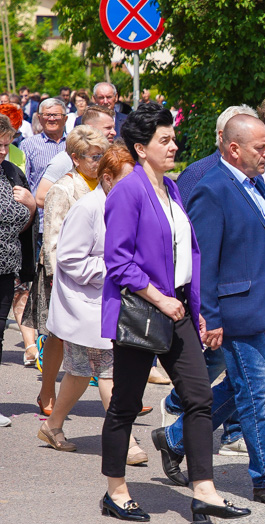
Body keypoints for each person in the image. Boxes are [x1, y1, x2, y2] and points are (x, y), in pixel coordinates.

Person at [100, 103, 249, 524]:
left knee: (199, 397)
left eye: (172, 137)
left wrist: (194, 308)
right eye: (164, 140)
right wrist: (160, 298)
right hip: (142, 311)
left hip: (179, 307)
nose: (173, 145)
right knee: (125, 404)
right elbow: (119, 262)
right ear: (140, 148)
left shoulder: (174, 187)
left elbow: (186, 253)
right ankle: (116, 490)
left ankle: (204, 490)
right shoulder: (128, 190)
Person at [154, 114, 265, 508]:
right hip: (235, 311)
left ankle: (174, 438)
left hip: (261, 306)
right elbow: (203, 261)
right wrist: (211, 317)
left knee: (240, 388)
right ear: (234, 149)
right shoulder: (213, 189)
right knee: (256, 394)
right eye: (260, 147)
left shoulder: (254, 183)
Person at [41, 144, 149, 464]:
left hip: (107, 302)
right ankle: (125, 440)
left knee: (76, 372)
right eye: (127, 182)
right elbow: (70, 260)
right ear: (106, 178)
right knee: (108, 372)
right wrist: (115, 271)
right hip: (87, 305)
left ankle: (52, 426)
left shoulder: (124, 205)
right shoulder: (88, 208)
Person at [162, 104, 259, 455]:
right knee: (221, 366)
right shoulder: (200, 174)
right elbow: (192, 238)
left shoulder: (253, 177)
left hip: (249, 293)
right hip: (213, 292)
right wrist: (202, 304)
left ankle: (204, 431)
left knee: (241, 375)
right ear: (226, 139)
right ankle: (177, 405)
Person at [28, 126, 106, 418]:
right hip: (62, 275)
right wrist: (55, 277)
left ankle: (118, 394)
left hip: (94, 275)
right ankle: (47, 390)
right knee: (57, 336)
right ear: (75, 158)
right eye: (94, 156)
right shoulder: (64, 188)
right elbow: (53, 239)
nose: (99, 162)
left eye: (102, 155)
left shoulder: (104, 184)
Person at [0, 114, 36, 370]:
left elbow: (21, 223)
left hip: (7, 270)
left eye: (7, 144)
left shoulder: (12, 172)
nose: (4, 151)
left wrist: (32, 206)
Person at [36, 106, 117, 210]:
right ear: (90, 127)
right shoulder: (64, 159)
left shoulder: (108, 155)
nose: (114, 132)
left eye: (113, 127)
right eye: (108, 128)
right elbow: (40, 198)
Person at [175, 105, 258, 205]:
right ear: (222, 136)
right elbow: (183, 216)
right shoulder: (196, 174)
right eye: (245, 134)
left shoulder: (256, 176)